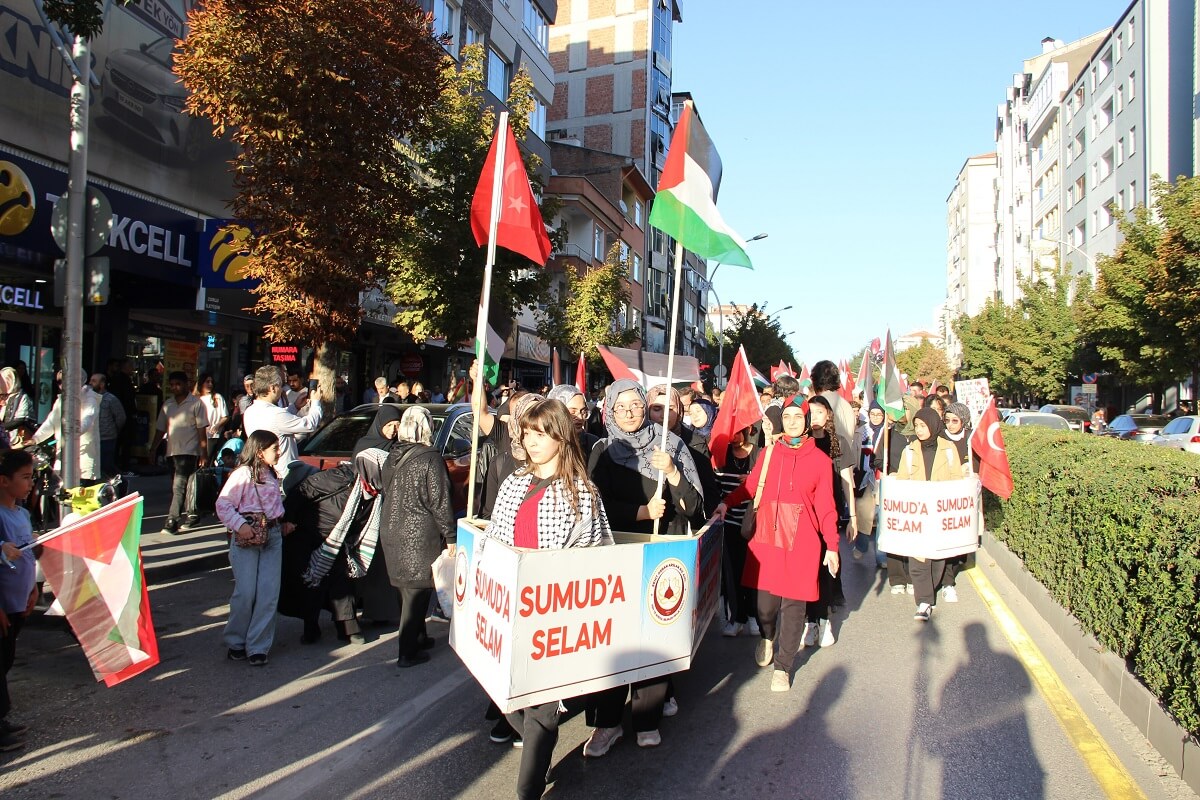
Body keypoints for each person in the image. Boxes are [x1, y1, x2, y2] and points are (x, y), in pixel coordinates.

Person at [484, 400, 613, 800]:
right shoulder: (514, 482)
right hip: (510, 610)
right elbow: (496, 537)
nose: (531, 440)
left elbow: (595, 554)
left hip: (552, 615)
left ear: (562, 436)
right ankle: (544, 738)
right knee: (507, 698)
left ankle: (529, 788)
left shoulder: (581, 493)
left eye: (541, 433)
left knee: (539, 711)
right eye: (527, 432)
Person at [585, 379, 703, 752]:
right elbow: (594, 507)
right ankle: (607, 723)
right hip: (617, 555)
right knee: (614, 639)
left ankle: (646, 717)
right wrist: (641, 511)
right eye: (622, 407)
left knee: (652, 635)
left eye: (637, 405)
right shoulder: (604, 450)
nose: (631, 413)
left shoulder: (672, 446)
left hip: (659, 556)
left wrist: (671, 473)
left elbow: (693, 507)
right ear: (610, 412)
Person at [714, 394, 840, 692]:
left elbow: (826, 506)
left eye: (798, 417)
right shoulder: (770, 454)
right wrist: (726, 503)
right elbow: (749, 485)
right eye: (787, 417)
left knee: (794, 607)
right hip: (768, 538)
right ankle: (768, 637)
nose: (792, 422)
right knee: (766, 609)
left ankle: (783, 666)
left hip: (803, 543)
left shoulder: (821, 461)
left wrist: (832, 546)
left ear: (807, 421)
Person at [378, 406, 455, 668]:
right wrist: (451, 536)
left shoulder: (392, 454)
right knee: (416, 594)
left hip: (391, 529)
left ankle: (418, 637)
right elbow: (440, 502)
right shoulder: (430, 458)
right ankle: (407, 652)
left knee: (406, 591)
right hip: (418, 535)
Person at [216, 430, 295, 665]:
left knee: (268, 594)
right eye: (274, 449)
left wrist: (281, 524)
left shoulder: (272, 473)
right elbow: (223, 504)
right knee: (246, 592)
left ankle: (258, 646)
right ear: (260, 452)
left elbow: (273, 507)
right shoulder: (242, 474)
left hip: (272, 536)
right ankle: (236, 641)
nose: (279, 452)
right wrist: (240, 525)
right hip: (246, 539)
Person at [892, 407, 963, 621]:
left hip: (939, 515)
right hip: (918, 515)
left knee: (936, 559)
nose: (920, 430)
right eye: (917, 426)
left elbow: (957, 480)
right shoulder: (910, 451)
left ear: (933, 425)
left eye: (923, 425)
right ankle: (924, 601)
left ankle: (931, 589)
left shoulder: (949, 450)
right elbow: (903, 480)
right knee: (918, 560)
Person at [802, 395, 847, 648]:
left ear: (828, 415)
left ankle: (824, 618)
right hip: (807, 512)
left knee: (828, 565)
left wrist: (851, 517)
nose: (814, 417)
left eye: (819, 412)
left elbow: (846, 477)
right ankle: (810, 620)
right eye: (811, 413)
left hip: (830, 510)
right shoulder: (803, 442)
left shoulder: (837, 443)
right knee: (810, 566)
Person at [0, 448, 37, 751]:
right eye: (24, 478)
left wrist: (34, 589)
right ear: (3, 481)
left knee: (6, 660)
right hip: (3, 604)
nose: (30, 484)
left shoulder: (23, 514)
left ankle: (2, 719)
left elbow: (29, 555)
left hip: (19, 601)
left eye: (31, 477)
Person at [243, 365, 324, 484]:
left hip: (262, 473)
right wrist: (316, 402)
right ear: (272, 388)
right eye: (280, 386)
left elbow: (279, 422)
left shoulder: (249, 411)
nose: (282, 390)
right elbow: (309, 425)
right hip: (283, 476)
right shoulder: (276, 414)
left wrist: (295, 407)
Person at [149, 372, 208, 533]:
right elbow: (160, 429)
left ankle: (172, 519)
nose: (175, 387)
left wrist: (204, 453)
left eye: (178, 384)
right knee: (185, 485)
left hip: (189, 451)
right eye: (172, 384)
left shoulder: (196, 404)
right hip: (172, 452)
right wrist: (153, 448)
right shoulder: (168, 404)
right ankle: (193, 514)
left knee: (178, 486)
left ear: (186, 384)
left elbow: (201, 430)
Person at [717, 426, 761, 638]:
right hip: (729, 522)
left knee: (752, 572)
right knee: (732, 573)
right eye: (730, 433)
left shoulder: (759, 454)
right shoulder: (722, 454)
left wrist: (752, 480)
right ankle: (736, 618)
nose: (733, 438)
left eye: (737, 432)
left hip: (753, 522)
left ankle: (754, 615)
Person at [33, 369, 102, 487]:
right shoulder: (62, 399)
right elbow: (51, 422)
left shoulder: (89, 399)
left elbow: (87, 420)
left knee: (79, 497)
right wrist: (35, 438)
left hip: (83, 454)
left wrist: (73, 431)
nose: (60, 385)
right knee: (57, 488)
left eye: (63, 382)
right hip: (63, 453)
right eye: (59, 382)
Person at [938, 402, 973, 603]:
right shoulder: (940, 439)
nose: (950, 425)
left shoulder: (970, 439)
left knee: (961, 547)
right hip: (945, 498)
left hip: (965, 499)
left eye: (955, 421)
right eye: (947, 420)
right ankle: (947, 583)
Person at [89, 373, 127, 479]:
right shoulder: (88, 399)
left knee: (106, 465)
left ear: (102, 384)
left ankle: (120, 481)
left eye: (94, 381)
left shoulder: (111, 399)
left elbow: (121, 417)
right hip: (92, 438)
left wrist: (113, 430)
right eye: (91, 380)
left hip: (107, 438)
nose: (90, 383)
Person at [546, 384, 599, 457]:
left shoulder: (593, 443)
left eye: (583, 412)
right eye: (572, 412)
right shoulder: (544, 443)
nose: (580, 417)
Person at [196, 373, 230, 461]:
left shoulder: (217, 397)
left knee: (207, 460)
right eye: (207, 382)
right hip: (197, 436)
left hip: (212, 436)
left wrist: (217, 425)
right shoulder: (196, 399)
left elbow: (225, 416)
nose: (210, 384)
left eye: (211, 382)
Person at [0, 367, 35, 447]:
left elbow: (20, 420)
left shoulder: (21, 396)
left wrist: (2, 427)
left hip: (15, 439)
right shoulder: (2, 394)